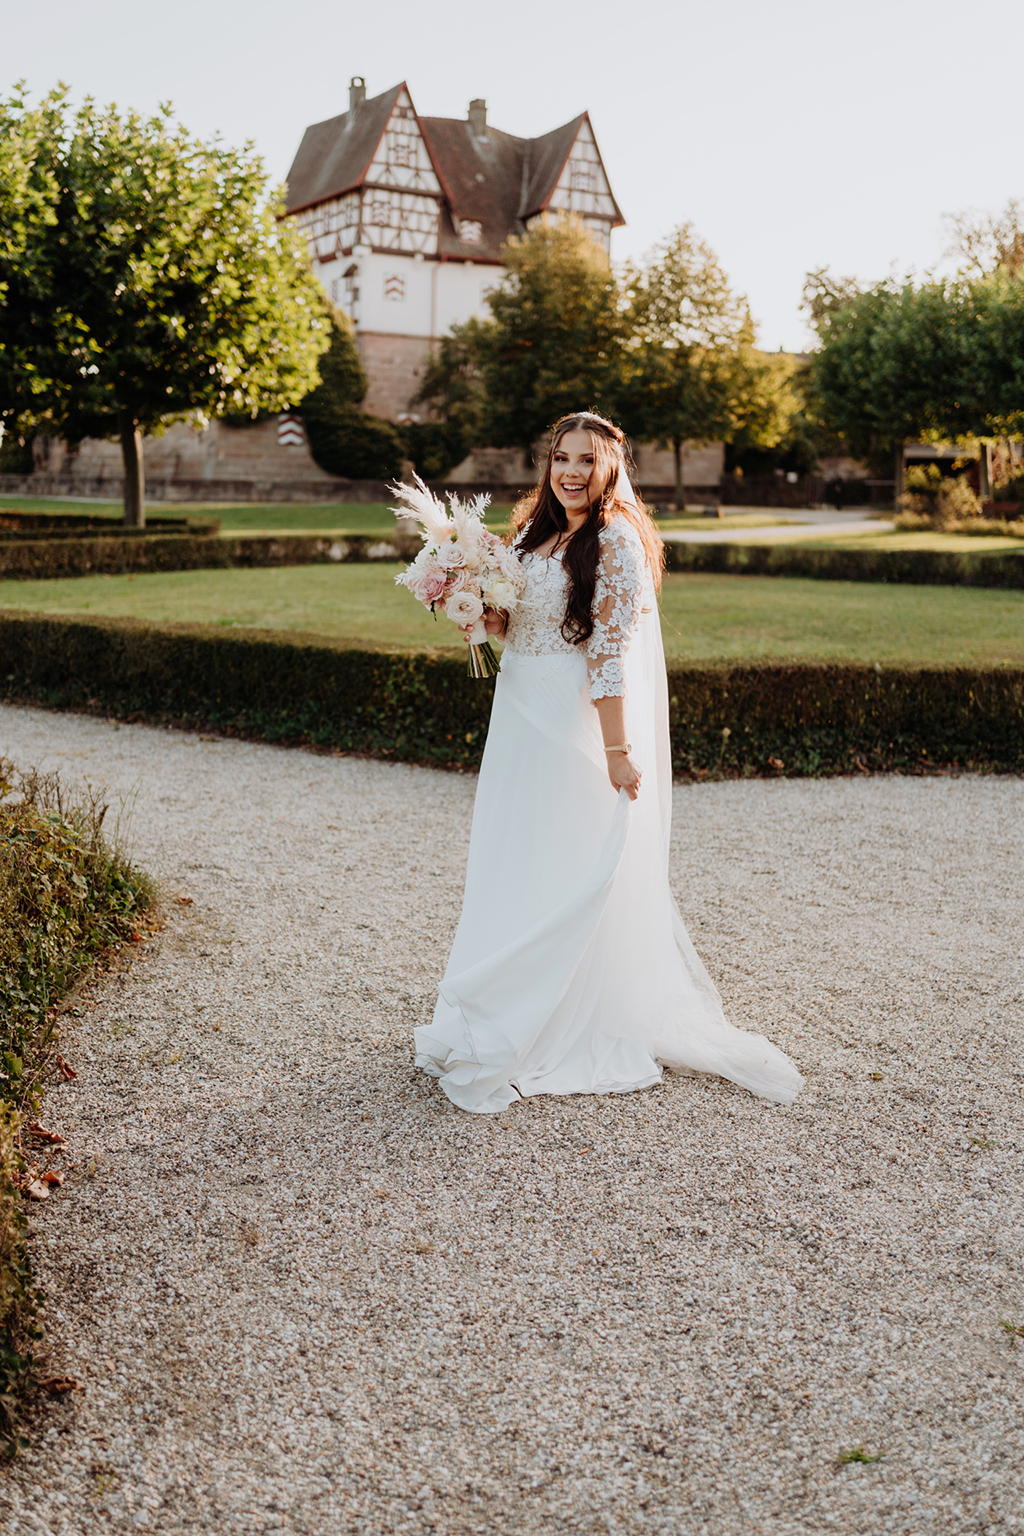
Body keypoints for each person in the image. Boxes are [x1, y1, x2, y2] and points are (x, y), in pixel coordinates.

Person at [414, 412, 804, 1114]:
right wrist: (483, 615)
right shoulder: (534, 531)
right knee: (517, 855)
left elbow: (609, 654)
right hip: (520, 714)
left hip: (573, 724)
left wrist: (618, 752)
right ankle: (495, 1009)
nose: (571, 472)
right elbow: (523, 624)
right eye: (562, 458)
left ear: (611, 469)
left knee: (565, 864)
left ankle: (553, 1023)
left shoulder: (617, 540)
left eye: (586, 461)